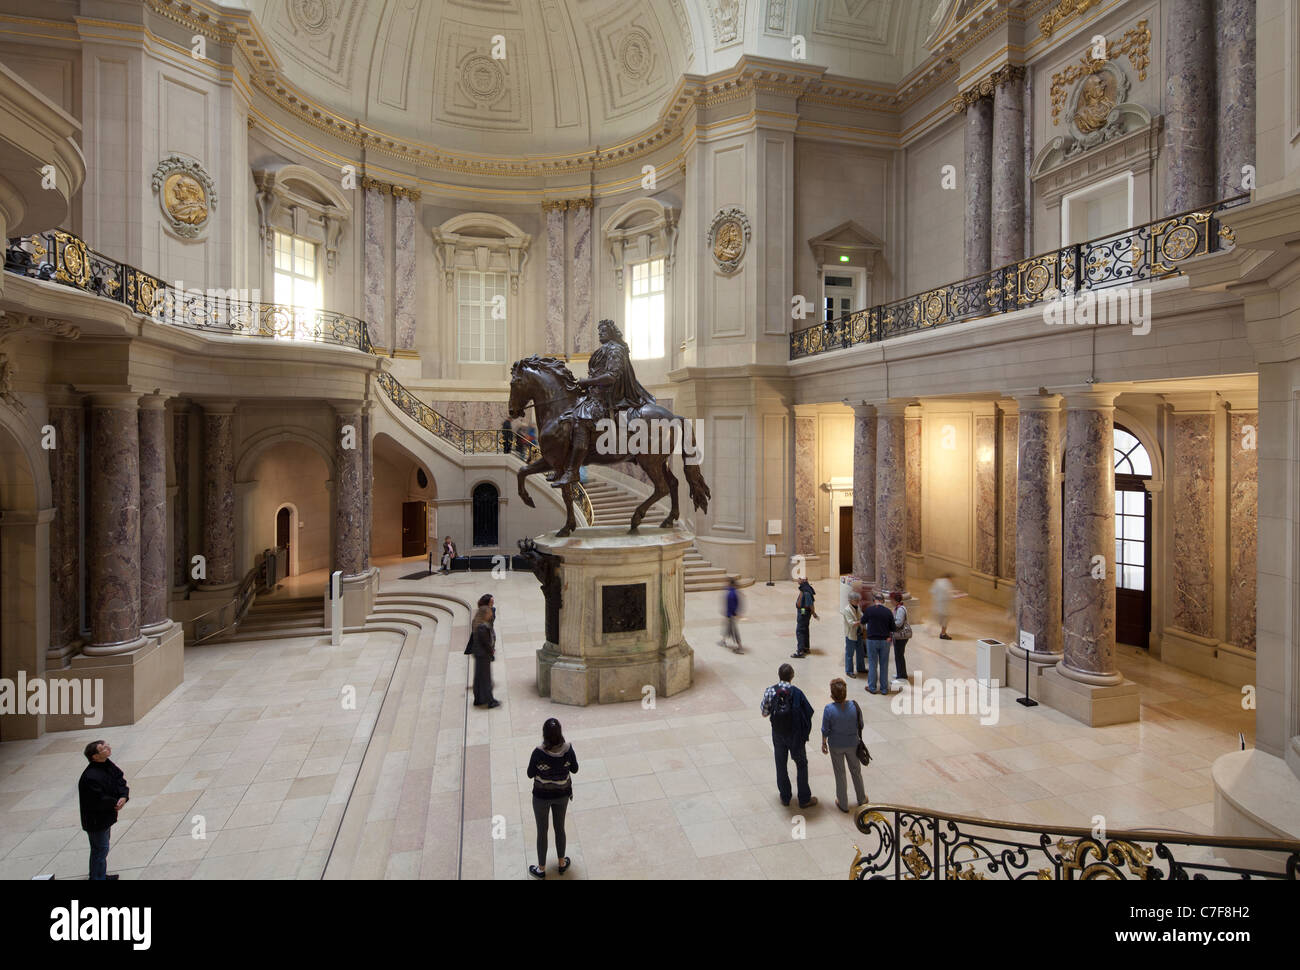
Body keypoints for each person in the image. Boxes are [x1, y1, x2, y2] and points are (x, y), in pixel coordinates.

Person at [550, 319, 655, 487]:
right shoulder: (603, 350)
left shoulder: (615, 350)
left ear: (612, 333)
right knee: (567, 416)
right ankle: (560, 466)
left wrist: (588, 382)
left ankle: (572, 472)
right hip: (595, 394)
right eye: (599, 331)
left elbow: (611, 377)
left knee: (582, 420)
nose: (600, 333)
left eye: (604, 330)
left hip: (610, 397)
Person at [760, 664, 818, 809]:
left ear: (779, 675)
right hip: (795, 735)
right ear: (792, 676)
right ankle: (804, 798)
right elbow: (809, 712)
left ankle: (785, 797)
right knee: (801, 764)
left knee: (781, 764)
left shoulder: (770, 691)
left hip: (778, 734)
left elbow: (764, 712)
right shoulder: (797, 693)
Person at [526, 717, 578, 878]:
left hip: (541, 796)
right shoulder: (568, 749)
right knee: (559, 828)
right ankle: (562, 863)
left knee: (542, 831)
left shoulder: (538, 752)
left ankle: (541, 869)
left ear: (544, 734)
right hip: (562, 794)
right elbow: (575, 769)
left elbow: (530, 774)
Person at [78, 740, 129, 880]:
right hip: (96, 820)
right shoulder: (90, 776)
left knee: (101, 849)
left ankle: (99, 875)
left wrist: (124, 795)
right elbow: (99, 798)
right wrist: (116, 802)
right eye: (103, 748)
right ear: (95, 756)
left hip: (106, 817)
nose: (108, 748)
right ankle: (97, 877)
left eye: (107, 746)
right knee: (100, 850)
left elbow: (120, 780)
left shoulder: (107, 764)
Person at [820, 679, 867, 813]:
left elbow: (825, 729)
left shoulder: (829, 709)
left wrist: (824, 743)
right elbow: (861, 725)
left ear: (832, 694)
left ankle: (843, 802)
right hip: (853, 743)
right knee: (856, 771)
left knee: (840, 773)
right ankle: (862, 799)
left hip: (836, 745)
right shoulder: (854, 706)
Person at [862, 590, 896, 695]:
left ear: (874, 600)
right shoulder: (888, 612)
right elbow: (893, 628)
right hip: (885, 641)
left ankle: (872, 687)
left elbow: (863, 621)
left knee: (872, 664)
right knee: (884, 664)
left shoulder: (869, 610)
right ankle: (884, 688)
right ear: (883, 601)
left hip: (872, 640)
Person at [470, 593, 499, 708]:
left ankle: (478, 698)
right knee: (486, 679)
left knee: (479, 677)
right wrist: (491, 651)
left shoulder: (477, 623)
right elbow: (486, 643)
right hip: (483, 654)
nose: (491, 613)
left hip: (479, 653)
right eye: (489, 612)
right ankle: (490, 700)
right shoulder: (483, 627)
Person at [840, 590, 866, 679]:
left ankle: (861, 668)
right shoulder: (847, 610)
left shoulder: (857, 607)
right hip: (851, 634)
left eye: (858, 600)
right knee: (850, 654)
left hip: (858, 633)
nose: (858, 602)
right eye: (856, 600)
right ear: (850, 600)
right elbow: (851, 623)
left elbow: (862, 615)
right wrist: (861, 621)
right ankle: (849, 671)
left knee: (860, 652)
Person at [792, 577, 819, 658]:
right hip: (804, 611)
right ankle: (806, 647)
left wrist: (813, 613)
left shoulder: (806, 591)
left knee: (800, 630)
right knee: (805, 629)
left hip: (803, 612)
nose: (798, 579)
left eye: (800, 578)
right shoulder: (804, 589)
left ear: (804, 581)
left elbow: (810, 604)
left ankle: (800, 651)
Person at [890, 590, 912, 682]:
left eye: (891, 599)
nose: (890, 601)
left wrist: (890, 625)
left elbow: (899, 623)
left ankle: (901, 677)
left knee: (899, 656)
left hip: (901, 636)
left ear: (895, 600)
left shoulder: (900, 609)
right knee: (899, 655)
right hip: (900, 636)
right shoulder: (898, 608)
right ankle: (901, 674)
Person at [719, 576, 743, 653]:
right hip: (731, 614)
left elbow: (732, 605)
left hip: (731, 615)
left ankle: (739, 646)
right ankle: (723, 641)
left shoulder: (731, 594)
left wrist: (731, 614)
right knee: (728, 628)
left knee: (734, 631)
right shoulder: (733, 592)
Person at [930, 573, 958, 640]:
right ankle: (943, 634)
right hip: (944, 606)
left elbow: (932, 591)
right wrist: (957, 595)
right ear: (949, 578)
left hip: (937, 604)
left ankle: (929, 630)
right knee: (945, 621)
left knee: (936, 618)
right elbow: (949, 595)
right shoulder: (947, 584)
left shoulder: (937, 581)